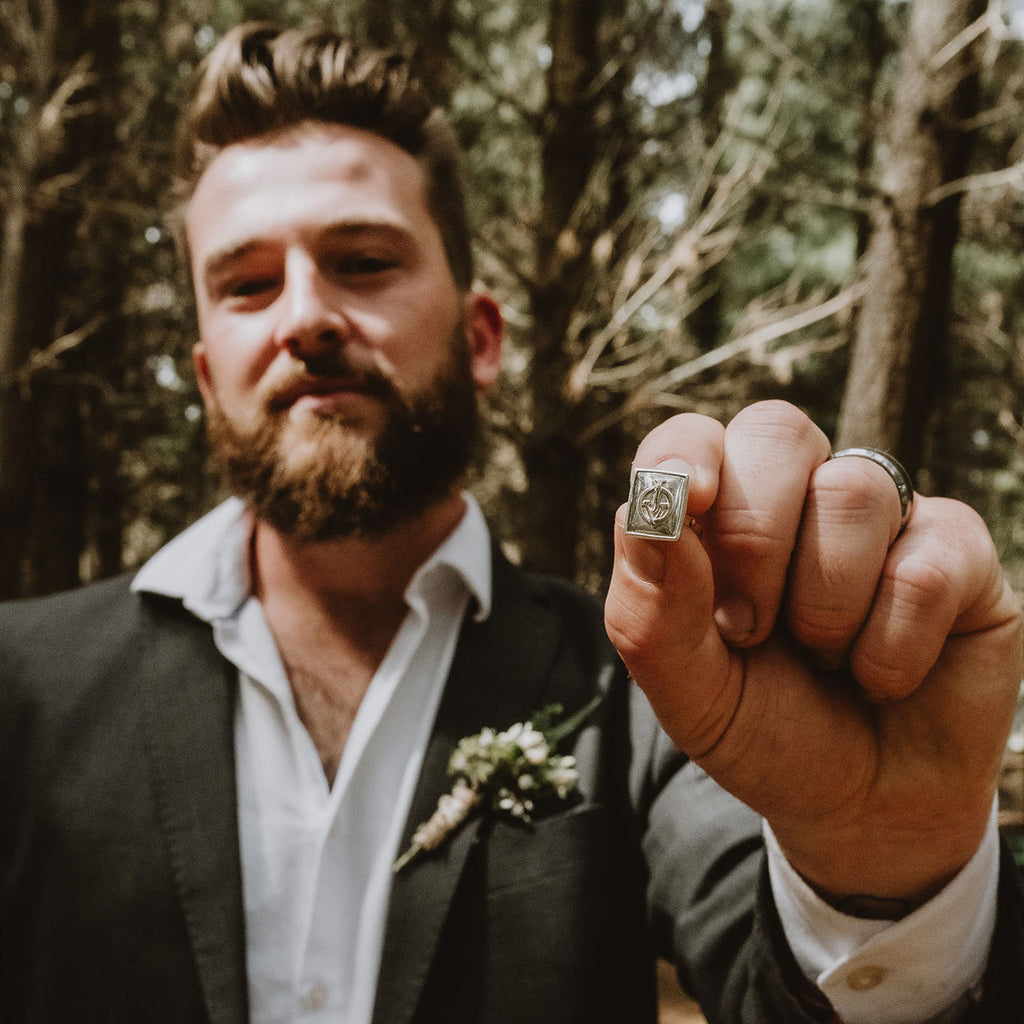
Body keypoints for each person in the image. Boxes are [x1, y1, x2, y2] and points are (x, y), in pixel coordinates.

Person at [1, 21, 1022, 1024]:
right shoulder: (21, 690)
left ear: (481, 337)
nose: (303, 315)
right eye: (246, 284)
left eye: (361, 260)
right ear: (203, 369)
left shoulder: (642, 694)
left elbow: (774, 985)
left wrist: (882, 876)